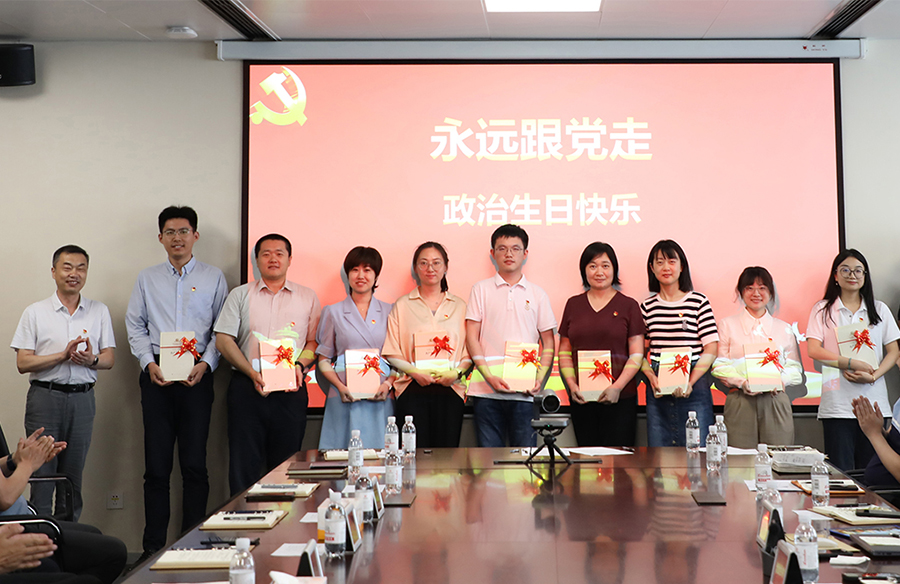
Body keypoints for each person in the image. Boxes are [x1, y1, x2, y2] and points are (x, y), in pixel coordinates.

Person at [124, 206, 228, 561]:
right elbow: (135, 325)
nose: (177, 238)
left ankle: (191, 545)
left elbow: (221, 329)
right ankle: (153, 548)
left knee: (195, 465)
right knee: (156, 468)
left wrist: (206, 364)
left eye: (184, 231)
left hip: (197, 377)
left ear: (195, 235)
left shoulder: (214, 277)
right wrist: (148, 363)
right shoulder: (147, 278)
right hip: (157, 376)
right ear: (160, 238)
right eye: (170, 232)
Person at [10, 245, 115, 520]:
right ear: (54, 271)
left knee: (72, 478)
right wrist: (61, 356)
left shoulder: (98, 311)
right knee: (41, 475)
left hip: (83, 400)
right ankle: (40, 538)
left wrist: (91, 360)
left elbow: (109, 359)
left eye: (81, 268)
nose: (74, 274)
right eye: (67, 267)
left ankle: (69, 538)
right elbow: (23, 363)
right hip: (46, 398)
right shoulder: (35, 312)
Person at [215, 233, 320, 494]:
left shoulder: (307, 297)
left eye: (279, 253)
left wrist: (299, 367)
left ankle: (284, 519)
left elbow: (313, 343)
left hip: (290, 390)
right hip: (246, 388)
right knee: (243, 466)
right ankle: (243, 517)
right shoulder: (240, 295)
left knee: (287, 467)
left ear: (289, 259)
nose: (273, 258)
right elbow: (224, 340)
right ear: (257, 260)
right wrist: (251, 373)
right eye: (266, 254)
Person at [806, 249, 900, 471]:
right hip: (837, 404)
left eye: (858, 271)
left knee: (872, 473)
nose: (852, 275)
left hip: (874, 403)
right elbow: (814, 350)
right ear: (835, 276)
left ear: (865, 276)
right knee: (842, 474)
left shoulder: (879, 309)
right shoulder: (822, 310)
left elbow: (894, 352)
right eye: (845, 270)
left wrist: (873, 376)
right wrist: (850, 363)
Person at [466, 224, 557, 448]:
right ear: (492, 253)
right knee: (488, 462)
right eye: (502, 248)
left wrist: (540, 379)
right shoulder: (480, 289)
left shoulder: (538, 294)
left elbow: (548, 343)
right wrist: (489, 376)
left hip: (525, 394)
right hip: (486, 392)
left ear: (525, 254)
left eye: (515, 248)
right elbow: (471, 337)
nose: (509, 254)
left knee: (526, 460)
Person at [0, 426, 126, 584]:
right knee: (109, 556)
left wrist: (14, 460)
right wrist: (28, 463)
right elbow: (5, 498)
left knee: (101, 541)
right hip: (12, 525)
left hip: (21, 517)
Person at [383, 242, 471, 447]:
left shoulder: (459, 306)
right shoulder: (402, 305)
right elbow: (392, 350)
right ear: (415, 268)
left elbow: (469, 351)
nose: (430, 268)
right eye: (423, 263)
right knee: (414, 455)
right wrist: (415, 372)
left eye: (436, 263)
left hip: (450, 389)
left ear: (446, 267)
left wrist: (456, 373)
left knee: (447, 456)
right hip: (412, 389)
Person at [557, 242, 644, 446]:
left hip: (620, 399)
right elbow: (564, 352)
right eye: (592, 266)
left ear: (614, 269)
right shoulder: (573, 304)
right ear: (584, 270)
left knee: (620, 460)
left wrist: (617, 387)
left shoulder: (629, 305)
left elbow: (637, 354)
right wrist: (572, 386)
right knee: (587, 460)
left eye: (605, 266)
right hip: (581, 399)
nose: (599, 272)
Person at [711, 267, 804, 448]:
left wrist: (780, 380)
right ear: (741, 292)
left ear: (771, 292)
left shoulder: (784, 328)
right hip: (740, 399)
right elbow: (719, 365)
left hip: (775, 399)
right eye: (749, 288)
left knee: (778, 455)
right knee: (739, 458)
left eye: (762, 288)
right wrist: (743, 382)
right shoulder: (727, 325)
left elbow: (795, 369)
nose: (756, 293)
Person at [640, 240, 718, 447]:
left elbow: (711, 348)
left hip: (695, 382)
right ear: (652, 268)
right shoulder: (646, 307)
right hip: (658, 384)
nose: (666, 267)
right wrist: (651, 378)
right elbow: (639, 353)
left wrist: (690, 381)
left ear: (682, 266)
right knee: (660, 454)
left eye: (672, 261)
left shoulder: (698, 302)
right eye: (660, 262)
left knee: (698, 450)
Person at [317, 246, 395, 450]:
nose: (361, 276)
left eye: (367, 270)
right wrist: (340, 386)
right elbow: (324, 359)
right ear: (347, 274)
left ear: (376, 276)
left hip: (379, 395)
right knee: (342, 457)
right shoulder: (333, 312)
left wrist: (388, 384)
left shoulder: (390, 311)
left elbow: (398, 358)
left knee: (380, 457)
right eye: (355, 269)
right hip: (344, 395)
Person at [852, 396, 900, 488]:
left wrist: (874, 434)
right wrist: (874, 426)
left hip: (887, 494)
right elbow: (893, 442)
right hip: (871, 488)